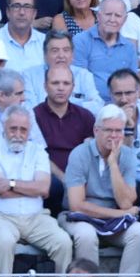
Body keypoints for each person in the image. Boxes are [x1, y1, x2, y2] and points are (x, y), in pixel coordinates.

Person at [0, 104, 75, 277]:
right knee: (4, 241)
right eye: (13, 128)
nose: (18, 134)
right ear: (3, 128)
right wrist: (29, 187)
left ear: (29, 131)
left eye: (23, 130)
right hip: (0, 215)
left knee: (63, 242)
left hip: (36, 217)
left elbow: (44, 189)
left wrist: (12, 183)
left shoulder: (38, 151)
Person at [64, 103, 140, 277]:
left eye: (118, 131)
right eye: (109, 130)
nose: (114, 136)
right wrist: (120, 214)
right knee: (85, 235)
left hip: (113, 221)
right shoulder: (79, 153)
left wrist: (113, 163)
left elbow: (126, 202)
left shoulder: (127, 155)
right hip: (80, 217)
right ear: (96, 131)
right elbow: (77, 205)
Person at [33, 63, 94, 212]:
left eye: (66, 83)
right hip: (49, 177)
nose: (61, 88)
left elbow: (92, 152)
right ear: (45, 86)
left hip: (81, 177)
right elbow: (38, 156)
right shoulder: (34, 115)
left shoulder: (85, 116)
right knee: (53, 185)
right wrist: (64, 178)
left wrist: (76, 180)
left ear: (73, 87)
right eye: (55, 83)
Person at [0, 0, 48, 76]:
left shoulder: (45, 42)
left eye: (27, 7)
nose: (22, 12)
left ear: (34, 14)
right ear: (8, 12)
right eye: (16, 6)